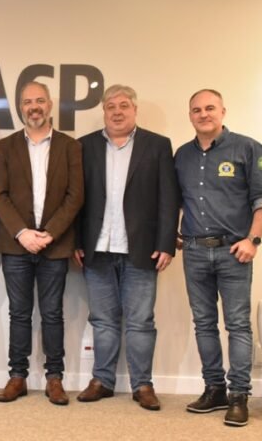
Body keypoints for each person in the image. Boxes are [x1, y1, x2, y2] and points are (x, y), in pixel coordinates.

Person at [74, 85, 179, 411]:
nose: (117, 112)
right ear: (104, 111)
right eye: (111, 106)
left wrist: (166, 244)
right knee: (102, 320)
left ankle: (143, 385)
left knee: (140, 321)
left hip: (142, 249)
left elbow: (168, 198)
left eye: (123, 106)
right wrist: (76, 241)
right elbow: (76, 199)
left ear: (134, 110)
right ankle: (102, 381)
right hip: (97, 249)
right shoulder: (85, 146)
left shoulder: (157, 145)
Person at [175, 89, 262, 427]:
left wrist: (253, 240)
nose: (203, 114)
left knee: (237, 325)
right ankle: (214, 389)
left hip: (235, 252)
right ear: (190, 115)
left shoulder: (248, 148)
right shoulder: (182, 155)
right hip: (194, 251)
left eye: (210, 108)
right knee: (203, 323)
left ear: (222, 111)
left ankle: (239, 396)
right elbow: (177, 199)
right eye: (196, 110)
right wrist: (173, 232)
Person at [0, 81, 83, 405]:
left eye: (40, 100)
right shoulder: (5, 146)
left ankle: (54, 378)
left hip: (54, 245)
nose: (34, 107)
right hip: (16, 245)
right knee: (19, 313)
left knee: (52, 314)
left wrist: (50, 233)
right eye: (28, 102)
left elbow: (75, 196)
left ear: (50, 105)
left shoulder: (70, 146)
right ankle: (17, 376)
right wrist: (22, 232)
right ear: (21, 107)